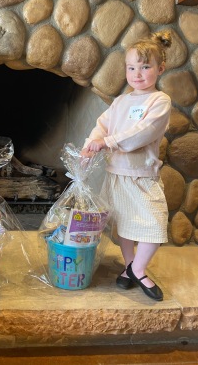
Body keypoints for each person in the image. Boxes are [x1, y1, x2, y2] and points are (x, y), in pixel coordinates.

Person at [81, 31, 172, 302]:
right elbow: (102, 124)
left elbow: (142, 132)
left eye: (145, 67)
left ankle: (137, 269)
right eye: (132, 67)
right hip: (116, 174)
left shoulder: (159, 101)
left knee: (155, 223)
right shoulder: (121, 101)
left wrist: (107, 142)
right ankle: (130, 267)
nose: (138, 74)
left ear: (160, 68)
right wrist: (90, 144)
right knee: (125, 227)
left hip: (142, 175)